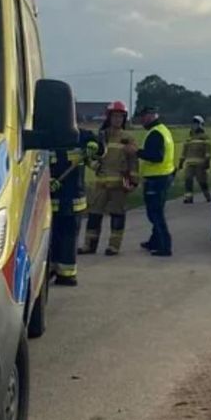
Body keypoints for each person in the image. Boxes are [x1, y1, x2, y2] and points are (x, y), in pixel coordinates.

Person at [81, 100, 138, 256]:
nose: (117, 120)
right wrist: (94, 166)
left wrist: (133, 181)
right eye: (115, 116)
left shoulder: (128, 138)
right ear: (109, 117)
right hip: (100, 183)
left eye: (121, 117)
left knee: (117, 216)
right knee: (94, 215)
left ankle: (114, 246)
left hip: (119, 184)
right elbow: (88, 156)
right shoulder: (101, 136)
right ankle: (89, 245)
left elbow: (133, 161)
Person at [49, 120, 103, 285]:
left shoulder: (82, 136)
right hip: (49, 199)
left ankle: (67, 274)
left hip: (73, 199)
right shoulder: (43, 138)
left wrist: (95, 146)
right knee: (52, 237)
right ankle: (52, 269)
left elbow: (100, 150)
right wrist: (46, 180)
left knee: (68, 236)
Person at [135, 105, 175, 257]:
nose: (142, 120)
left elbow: (156, 156)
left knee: (155, 214)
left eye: (144, 117)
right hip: (164, 176)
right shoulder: (163, 130)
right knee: (156, 212)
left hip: (156, 178)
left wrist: (137, 152)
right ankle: (154, 241)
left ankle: (165, 246)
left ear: (151, 116)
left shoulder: (155, 133)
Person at [179, 115, 211, 204]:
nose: (194, 126)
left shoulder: (205, 137)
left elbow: (208, 151)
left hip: (201, 165)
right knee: (188, 180)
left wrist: (207, 162)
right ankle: (188, 198)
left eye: (196, 124)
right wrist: (181, 162)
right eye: (193, 124)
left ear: (200, 125)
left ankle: (207, 196)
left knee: (202, 181)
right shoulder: (189, 138)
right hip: (189, 164)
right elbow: (184, 151)